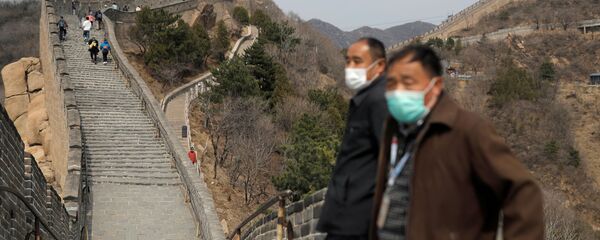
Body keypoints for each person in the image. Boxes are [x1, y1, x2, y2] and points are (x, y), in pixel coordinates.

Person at [371, 45, 544, 240]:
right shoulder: (393, 128)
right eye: (392, 83)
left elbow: (523, 192)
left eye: (408, 83)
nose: (398, 92)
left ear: (435, 86)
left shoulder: (467, 130)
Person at [317, 37, 388, 240]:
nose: (350, 67)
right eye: (348, 61)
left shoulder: (379, 100)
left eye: (358, 61)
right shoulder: (366, 98)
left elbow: (393, 159)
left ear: (380, 65)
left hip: (361, 217)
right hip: (347, 215)